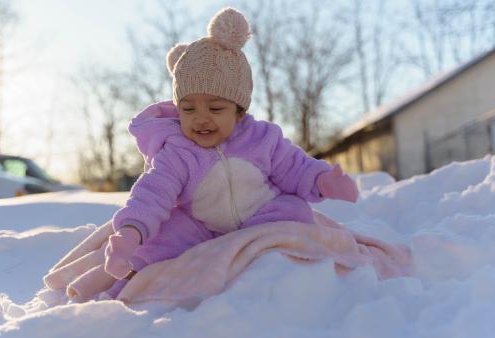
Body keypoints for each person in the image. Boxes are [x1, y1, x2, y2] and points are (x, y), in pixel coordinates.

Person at [101, 7, 358, 298]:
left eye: (215, 108)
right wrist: (131, 232)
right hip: (202, 228)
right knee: (162, 237)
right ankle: (135, 270)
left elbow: (295, 167)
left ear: (238, 112)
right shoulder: (177, 153)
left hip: (262, 214)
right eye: (188, 109)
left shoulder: (261, 138)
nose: (201, 118)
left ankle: (279, 267)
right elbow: (152, 194)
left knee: (295, 212)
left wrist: (323, 180)